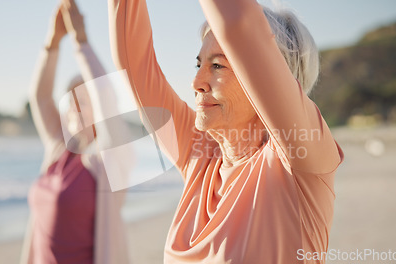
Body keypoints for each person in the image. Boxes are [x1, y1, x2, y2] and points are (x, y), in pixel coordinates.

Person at [108, 0, 344, 263]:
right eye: (199, 65)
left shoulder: (300, 159)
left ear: (267, 78)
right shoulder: (199, 156)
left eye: (217, 66)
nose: (196, 83)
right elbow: (134, 65)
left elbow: (238, 24)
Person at [21, 1, 131, 263]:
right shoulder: (58, 150)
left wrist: (81, 41)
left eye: (82, 97)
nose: (72, 104)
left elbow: (105, 94)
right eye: (68, 97)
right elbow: (40, 97)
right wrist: (52, 42)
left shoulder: (108, 160)